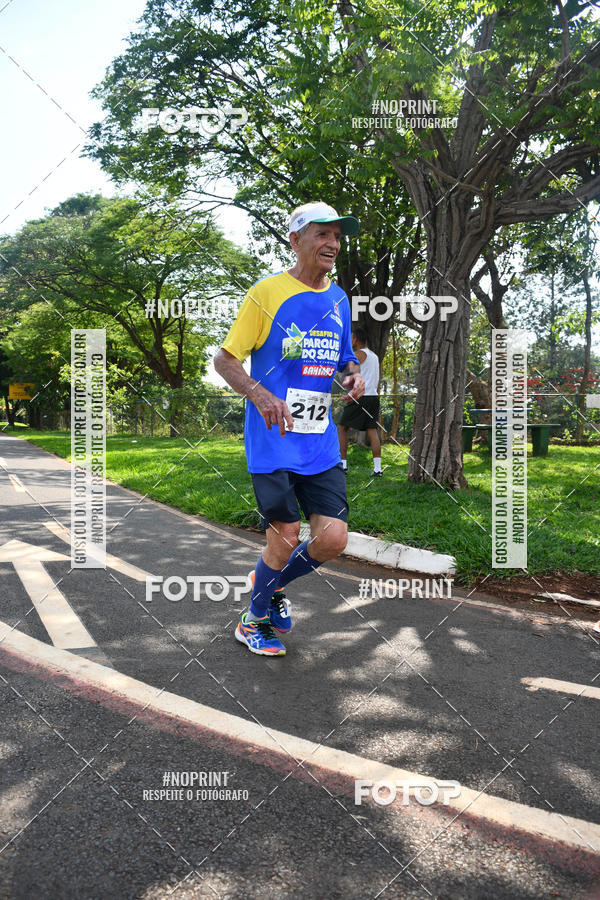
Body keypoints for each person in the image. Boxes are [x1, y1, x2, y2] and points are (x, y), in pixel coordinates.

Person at [214, 201, 365, 656]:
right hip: (274, 438)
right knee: (285, 534)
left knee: (333, 539)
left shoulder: (338, 299)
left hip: (319, 441)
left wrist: (353, 374)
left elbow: (344, 357)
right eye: (323, 234)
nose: (333, 244)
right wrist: (261, 395)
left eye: (337, 236)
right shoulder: (266, 293)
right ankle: (253, 620)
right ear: (296, 240)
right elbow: (225, 360)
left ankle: (270, 581)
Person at [337, 327, 382, 476]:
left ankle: (343, 466)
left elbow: (348, 373)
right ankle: (377, 469)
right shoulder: (374, 356)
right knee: (372, 430)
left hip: (360, 397)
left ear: (355, 339)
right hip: (373, 396)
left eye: (351, 338)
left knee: (341, 428)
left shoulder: (358, 354)